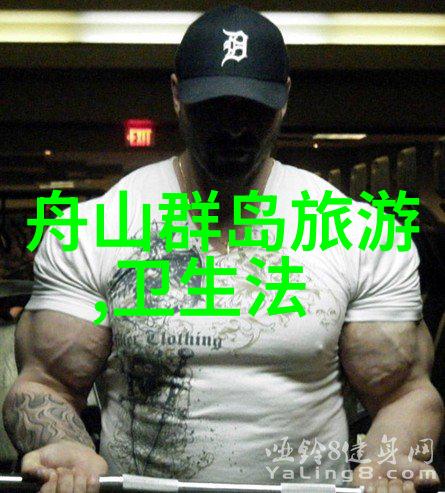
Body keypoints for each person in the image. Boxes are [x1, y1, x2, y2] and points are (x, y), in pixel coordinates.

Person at [2, 5, 443, 493]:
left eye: (252, 110)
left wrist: (390, 458)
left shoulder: (361, 236)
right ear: (177, 96)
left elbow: (404, 393)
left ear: (284, 100)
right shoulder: (93, 231)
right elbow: (45, 384)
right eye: (213, 109)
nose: (233, 130)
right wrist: (63, 443)